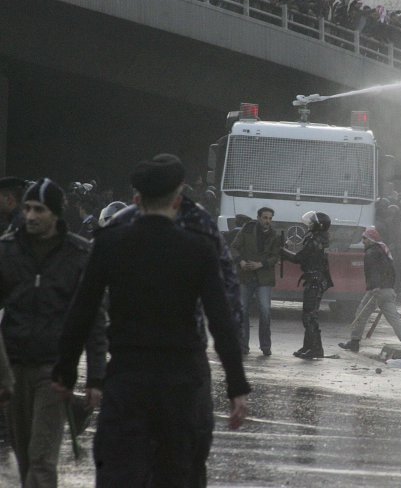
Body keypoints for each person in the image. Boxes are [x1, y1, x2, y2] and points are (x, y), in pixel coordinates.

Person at [51, 154, 249, 486]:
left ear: (136, 198)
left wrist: (65, 371)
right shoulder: (199, 245)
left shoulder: (110, 241)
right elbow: (222, 317)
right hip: (183, 377)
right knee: (181, 468)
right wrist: (237, 386)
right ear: (178, 197)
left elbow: (83, 309)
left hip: (128, 374)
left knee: (120, 468)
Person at [0, 178, 107, 487]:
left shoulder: (79, 254)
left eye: (40, 210)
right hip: (13, 369)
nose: (31, 216)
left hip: (55, 370)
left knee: (41, 459)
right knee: (23, 460)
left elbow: (94, 319)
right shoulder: (7, 250)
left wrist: (95, 378)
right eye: (28, 208)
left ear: (56, 214)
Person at [338, 227, 401, 353]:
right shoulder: (383, 251)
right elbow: (391, 271)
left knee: (361, 314)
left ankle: (354, 342)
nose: (363, 241)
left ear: (371, 239)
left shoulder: (371, 252)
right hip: (387, 290)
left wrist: (375, 286)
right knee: (393, 318)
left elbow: (373, 271)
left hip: (376, 291)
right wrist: (390, 287)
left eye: (365, 238)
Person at [282, 210, 333, 360]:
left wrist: (282, 252)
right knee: (309, 314)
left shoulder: (315, 241)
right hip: (316, 280)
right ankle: (308, 346)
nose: (309, 224)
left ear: (318, 225)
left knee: (310, 316)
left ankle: (316, 349)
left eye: (312, 222)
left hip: (315, 281)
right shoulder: (320, 238)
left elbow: (299, 258)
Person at [231, 206, 281, 356]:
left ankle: (265, 346)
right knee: (243, 311)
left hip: (264, 277)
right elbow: (234, 247)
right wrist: (240, 261)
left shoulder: (274, 235)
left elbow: (275, 256)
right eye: (265, 218)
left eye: (270, 218)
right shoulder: (247, 230)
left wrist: (261, 264)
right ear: (259, 218)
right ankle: (242, 345)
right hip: (246, 275)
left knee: (265, 311)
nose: (268, 221)